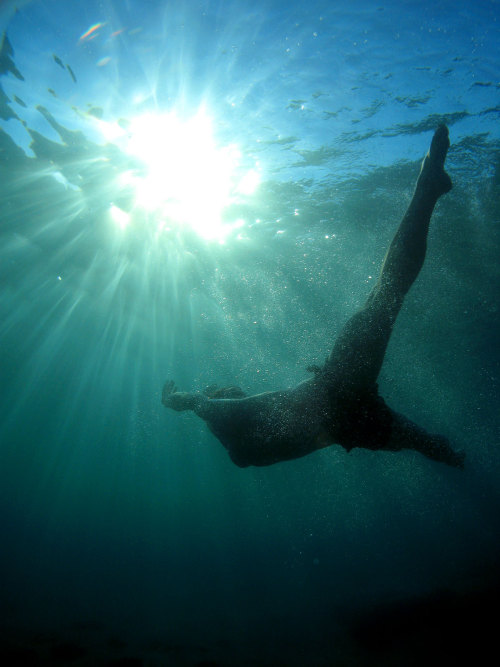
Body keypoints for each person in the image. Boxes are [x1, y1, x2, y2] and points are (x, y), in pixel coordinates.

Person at [162, 125, 465, 470]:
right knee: (386, 295)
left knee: (426, 443)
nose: (235, 393)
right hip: (339, 391)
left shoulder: (242, 448)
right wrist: (175, 400)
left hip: (351, 425)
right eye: (231, 393)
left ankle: (453, 457)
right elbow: (199, 402)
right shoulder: (234, 419)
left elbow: (222, 415)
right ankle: (426, 187)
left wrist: (191, 403)